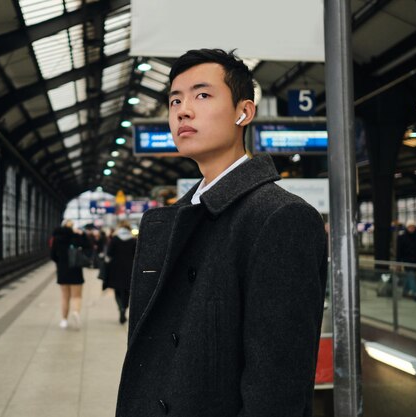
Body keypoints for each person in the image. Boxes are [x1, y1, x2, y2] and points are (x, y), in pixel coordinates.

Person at [115, 49, 328, 417]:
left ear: (244, 112)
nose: (182, 110)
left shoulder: (281, 217)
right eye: (174, 100)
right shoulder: (172, 221)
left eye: (202, 95)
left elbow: (277, 388)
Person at [50, 219, 87, 330]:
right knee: (76, 296)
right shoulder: (75, 236)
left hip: (62, 270)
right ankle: (76, 312)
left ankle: (64, 320)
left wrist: (60, 262)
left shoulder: (56, 238)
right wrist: (82, 234)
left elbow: (52, 255)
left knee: (65, 297)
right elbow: (88, 246)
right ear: (72, 226)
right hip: (76, 269)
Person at [106, 221, 137, 324]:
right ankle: (124, 307)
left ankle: (120, 308)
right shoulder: (133, 240)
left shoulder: (114, 239)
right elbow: (137, 255)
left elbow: (109, 253)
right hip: (130, 268)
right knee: (127, 291)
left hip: (116, 268)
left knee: (117, 290)